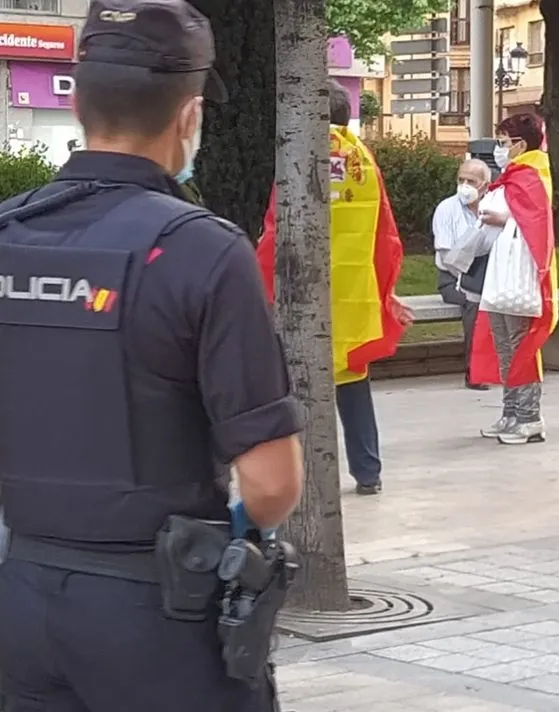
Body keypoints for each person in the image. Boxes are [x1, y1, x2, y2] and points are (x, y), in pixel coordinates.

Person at [0, 1, 304, 710]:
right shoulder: (203, 252)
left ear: (79, 103)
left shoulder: (9, 234)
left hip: (19, 607)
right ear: (189, 115)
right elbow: (272, 484)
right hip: (158, 616)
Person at [256, 79, 411, 495]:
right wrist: (384, 291)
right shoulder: (364, 160)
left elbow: (278, 228)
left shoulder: (300, 158)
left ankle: (301, 474)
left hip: (302, 295)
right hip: (354, 295)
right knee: (353, 382)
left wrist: (262, 280)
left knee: (295, 384)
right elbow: (387, 235)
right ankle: (368, 472)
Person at [469, 112, 558, 445]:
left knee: (521, 345)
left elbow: (535, 220)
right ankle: (510, 411)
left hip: (522, 268)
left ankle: (529, 416)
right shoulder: (515, 174)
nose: (500, 149)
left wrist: (503, 218)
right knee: (505, 345)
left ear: (521, 144)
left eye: (504, 142)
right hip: (503, 265)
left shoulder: (533, 173)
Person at [432, 158, 493, 391]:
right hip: (453, 277)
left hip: (487, 274)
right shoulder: (446, 208)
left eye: (471, 181)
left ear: (485, 185)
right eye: (461, 180)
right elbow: (448, 258)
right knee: (474, 303)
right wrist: (469, 280)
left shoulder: (494, 208)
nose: (464, 185)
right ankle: (475, 371)